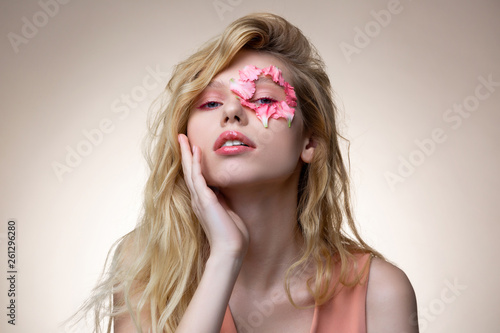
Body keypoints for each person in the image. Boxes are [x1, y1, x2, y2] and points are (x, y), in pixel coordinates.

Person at [76, 12, 418, 333]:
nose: (232, 112)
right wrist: (226, 255)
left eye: (265, 99)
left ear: (310, 141)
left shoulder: (380, 292)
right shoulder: (146, 266)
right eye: (210, 103)